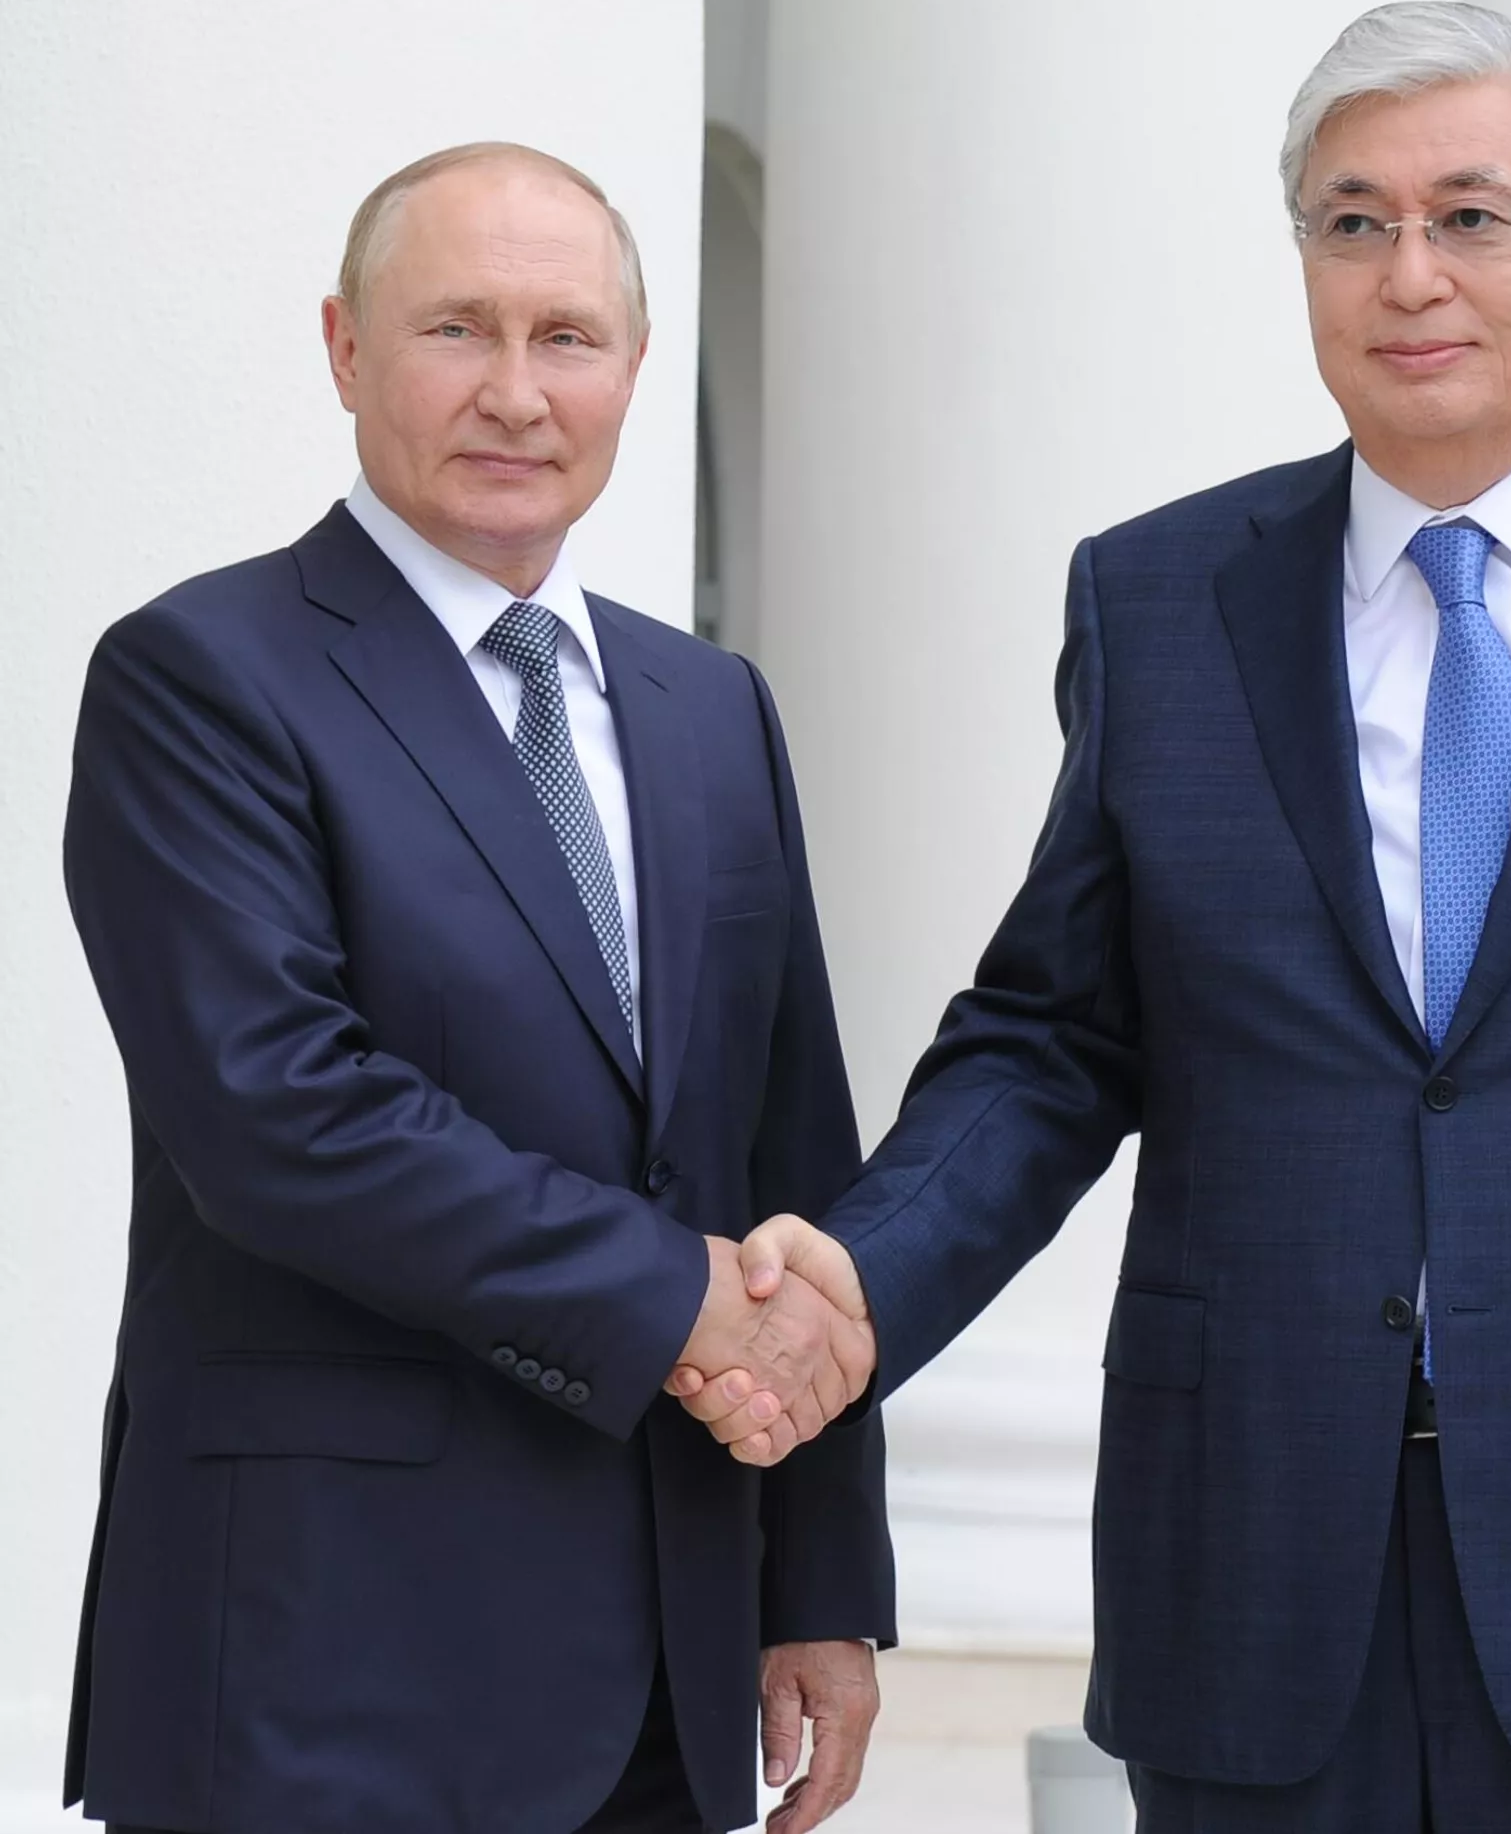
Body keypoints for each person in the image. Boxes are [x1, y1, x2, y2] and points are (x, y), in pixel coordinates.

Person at [670, 3, 1511, 1832]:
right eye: (1353, 222)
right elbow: (1052, 1041)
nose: (1409, 273)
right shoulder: (1161, 600)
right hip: (1256, 1570)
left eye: (1471, 216)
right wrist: (854, 1285)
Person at [62, 141, 891, 1834]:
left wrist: (818, 1578)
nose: (517, 391)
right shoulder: (200, 677)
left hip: (666, 1672)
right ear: (345, 348)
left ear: (634, 369)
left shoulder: (712, 708)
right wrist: (680, 1295)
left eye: (567, 336)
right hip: (326, 1670)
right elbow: (283, 1117)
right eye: (457, 328)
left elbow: (792, 1152)